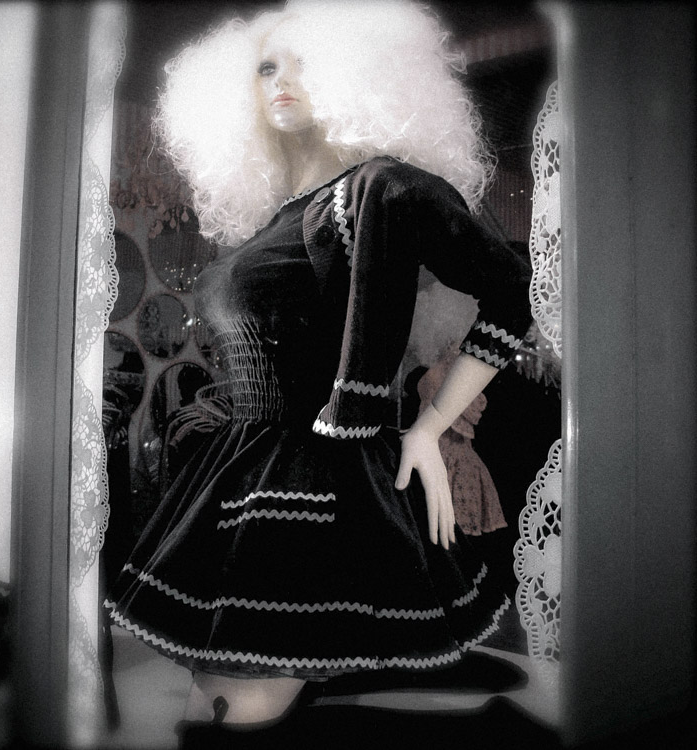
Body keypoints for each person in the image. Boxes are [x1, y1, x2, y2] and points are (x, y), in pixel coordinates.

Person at [104, 1, 532, 745]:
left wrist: (430, 426)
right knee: (213, 710)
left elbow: (512, 295)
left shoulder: (381, 188)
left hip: (314, 483)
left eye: (305, 62)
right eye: (266, 66)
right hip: (236, 474)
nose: (282, 81)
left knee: (229, 716)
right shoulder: (277, 219)